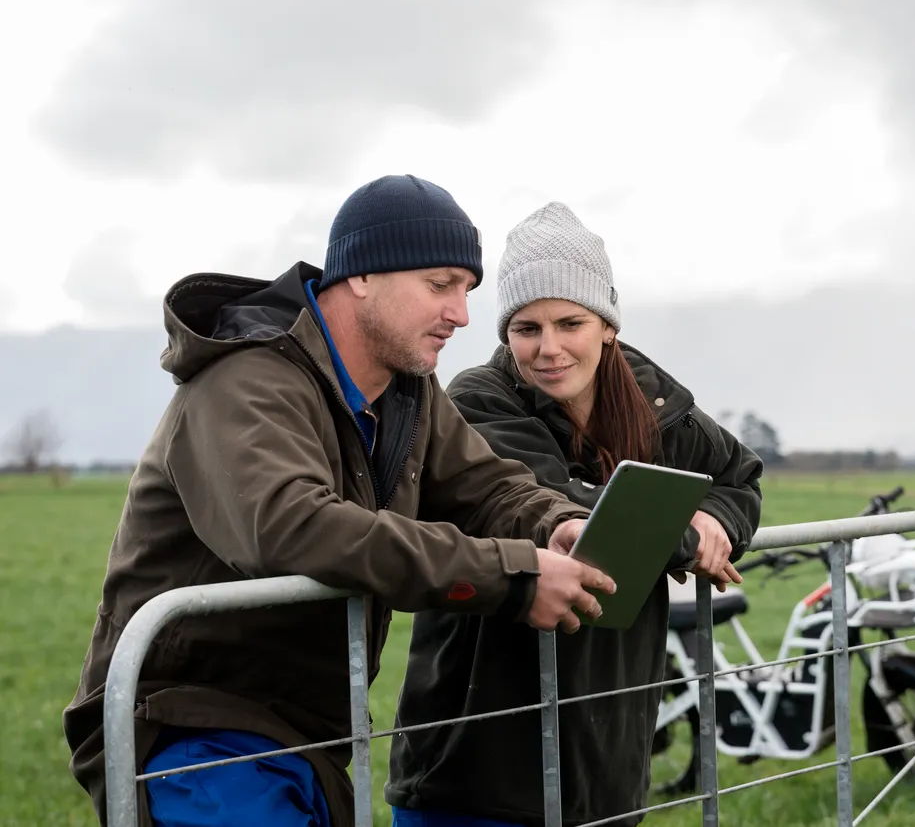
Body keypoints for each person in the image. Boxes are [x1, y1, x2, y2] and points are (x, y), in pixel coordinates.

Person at [62, 176, 619, 827]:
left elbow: (487, 486)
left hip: (312, 734)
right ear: (360, 275)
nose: (462, 314)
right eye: (440, 284)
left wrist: (558, 523)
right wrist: (515, 576)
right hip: (193, 724)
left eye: (467, 290)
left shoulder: (408, 391)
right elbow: (293, 526)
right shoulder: (245, 378)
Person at [385, 201, 765, 827]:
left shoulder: (655, 403)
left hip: (609, 749)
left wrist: (717, 522)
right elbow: (559, 505)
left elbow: (739, 475)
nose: (549, 348)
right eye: (526, 328)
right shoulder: (478, 401)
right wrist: (683, 530)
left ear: (607, 324)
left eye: (570, 323)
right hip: (480, 753)